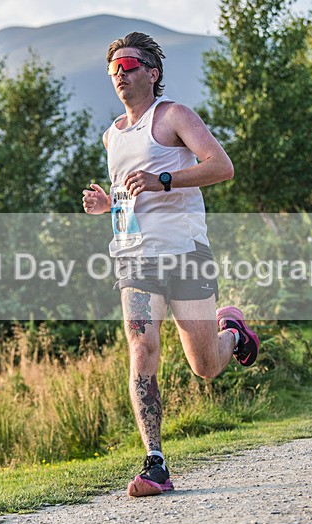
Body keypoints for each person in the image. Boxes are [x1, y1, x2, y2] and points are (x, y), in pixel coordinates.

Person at [81, 32, 260, 497]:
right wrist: (108, 204)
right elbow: (129, 193)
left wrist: (165, 179)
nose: (120, 72)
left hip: (186, 253)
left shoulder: (174, 115)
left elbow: (222, 167)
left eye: (129, 64)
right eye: (113, 67)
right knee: (142, 347)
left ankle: (233, 333)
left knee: (204, 366)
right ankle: (155, 462)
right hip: (135, 257)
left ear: (152, 72)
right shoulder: (112, 135)